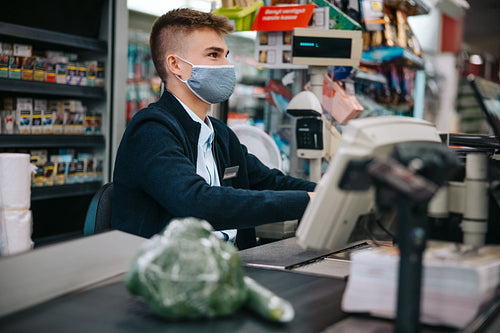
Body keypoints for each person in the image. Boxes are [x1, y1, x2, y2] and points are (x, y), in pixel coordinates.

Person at [112, 8, 316, 249]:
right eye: (213, 54)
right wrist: (306, 201)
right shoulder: (151, 130)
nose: (227, 65)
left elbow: (270, 182)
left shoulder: (220, 134)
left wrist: (329, 193)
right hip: (167, 274)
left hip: (227, 265)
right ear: (176, 64)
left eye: (226, 55)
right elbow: (196, 202)